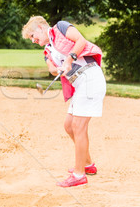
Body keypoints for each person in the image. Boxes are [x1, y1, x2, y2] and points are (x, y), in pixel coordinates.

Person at [22, 16, 106, 187]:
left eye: (32, 36)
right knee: (69, 126)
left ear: (40, 27)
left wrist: (69, 60)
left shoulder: (60, 27)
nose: (33, 40)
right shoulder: (47, 50)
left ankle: (78, 175)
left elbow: (80, 41)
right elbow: (52, 69)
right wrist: (55, 68)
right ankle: (88, 164)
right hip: (79, 83)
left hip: (90, 77)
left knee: (78, 126)